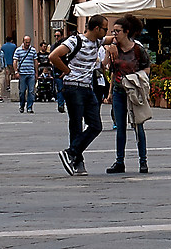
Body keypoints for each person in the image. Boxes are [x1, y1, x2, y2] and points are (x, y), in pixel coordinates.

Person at [50, 18, 109, 174]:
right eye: (105, 29)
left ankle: (71, 152)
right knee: (76, 124)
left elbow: (115, 38)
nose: (106, 32)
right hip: (73, 87)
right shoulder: (75, 40)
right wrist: (68, 71)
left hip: (87, 88)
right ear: (96, 28)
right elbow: (53, 56)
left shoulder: (98, 41)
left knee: (96, 125)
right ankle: (77, 162)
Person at [104, 19, 151, 174]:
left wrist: (135, 79)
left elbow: (147, 68)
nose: (114, 34)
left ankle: (143, 161)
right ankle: (119, 161)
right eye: (113, 31)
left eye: (117, 31)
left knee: (138, 125)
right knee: (120, 128)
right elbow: (109, 69)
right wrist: (110, 92)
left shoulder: (138, 49)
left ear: (126, 32)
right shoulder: (114, 49)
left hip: (134, 91)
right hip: (118, 91)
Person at [15, 32, 41, 112]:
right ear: (23, 41)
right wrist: (16, 71)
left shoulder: (32, 50)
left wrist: (36, 73)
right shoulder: (18, 50)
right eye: (26, 42)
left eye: (29, 42)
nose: (27, 44)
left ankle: (29, 107)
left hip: (31, 73)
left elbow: (35, 61)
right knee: (22, 91)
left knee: (31, 91)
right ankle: (22, 105)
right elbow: (15, 61)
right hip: (22, 73)